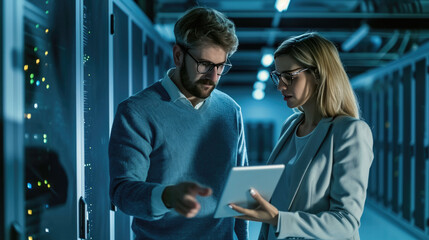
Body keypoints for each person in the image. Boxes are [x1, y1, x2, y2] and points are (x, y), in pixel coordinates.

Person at [108, 6, 248, 240]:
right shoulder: (136, 111)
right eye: (204, 64)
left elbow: (240, 190)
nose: (213, 77)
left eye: (220, 66)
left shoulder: (230, 110)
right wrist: (167, 196)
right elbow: (122, 193)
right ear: (178, 55)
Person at [229, 32, 373, 240]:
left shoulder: (349, 131)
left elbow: (346, 221)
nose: (280, 85)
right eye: (278, 76)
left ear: (318, 74)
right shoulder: (291, 125)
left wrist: (279, 219)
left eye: (289, 76)